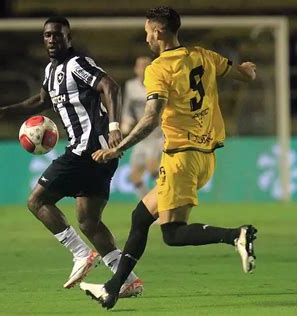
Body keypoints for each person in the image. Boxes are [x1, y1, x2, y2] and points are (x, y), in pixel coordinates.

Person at [79, 6, 258, 309]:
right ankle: (112, 289)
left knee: (172, 234)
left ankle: (236, 235)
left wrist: (118, 147)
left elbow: (150, 118)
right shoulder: (204, 55)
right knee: (140, 217)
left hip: (180, 158)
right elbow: (245, 75)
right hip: (205, 156)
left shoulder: (158, 69)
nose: (146, 36)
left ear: (158, 32)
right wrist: (249, 69)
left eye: (147, 30)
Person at [0, 15, 143, 297]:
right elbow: (41, 100)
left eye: (57, 35)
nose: (52, 40)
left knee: (36, 200)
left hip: (89, 149)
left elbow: (110, 87)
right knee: (88, 221)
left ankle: (80, 254)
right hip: (96, 155)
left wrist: (114, 127)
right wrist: (2, 111)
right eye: (47, 36)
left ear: (68, 38)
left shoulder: (78, 64)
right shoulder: (52, 71)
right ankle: (128, 279)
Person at [121, 56, 164, 199]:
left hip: (157, 134)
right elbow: (128, 108)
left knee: (153, 168)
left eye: (147, 66)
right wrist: (126, 122)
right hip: (141, 135)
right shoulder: (130, 86)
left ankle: (167, 200)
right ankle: (149, 207)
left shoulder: (158, 85)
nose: (144, 69)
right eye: (141, 66)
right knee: (135, 176)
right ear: (136, 69)